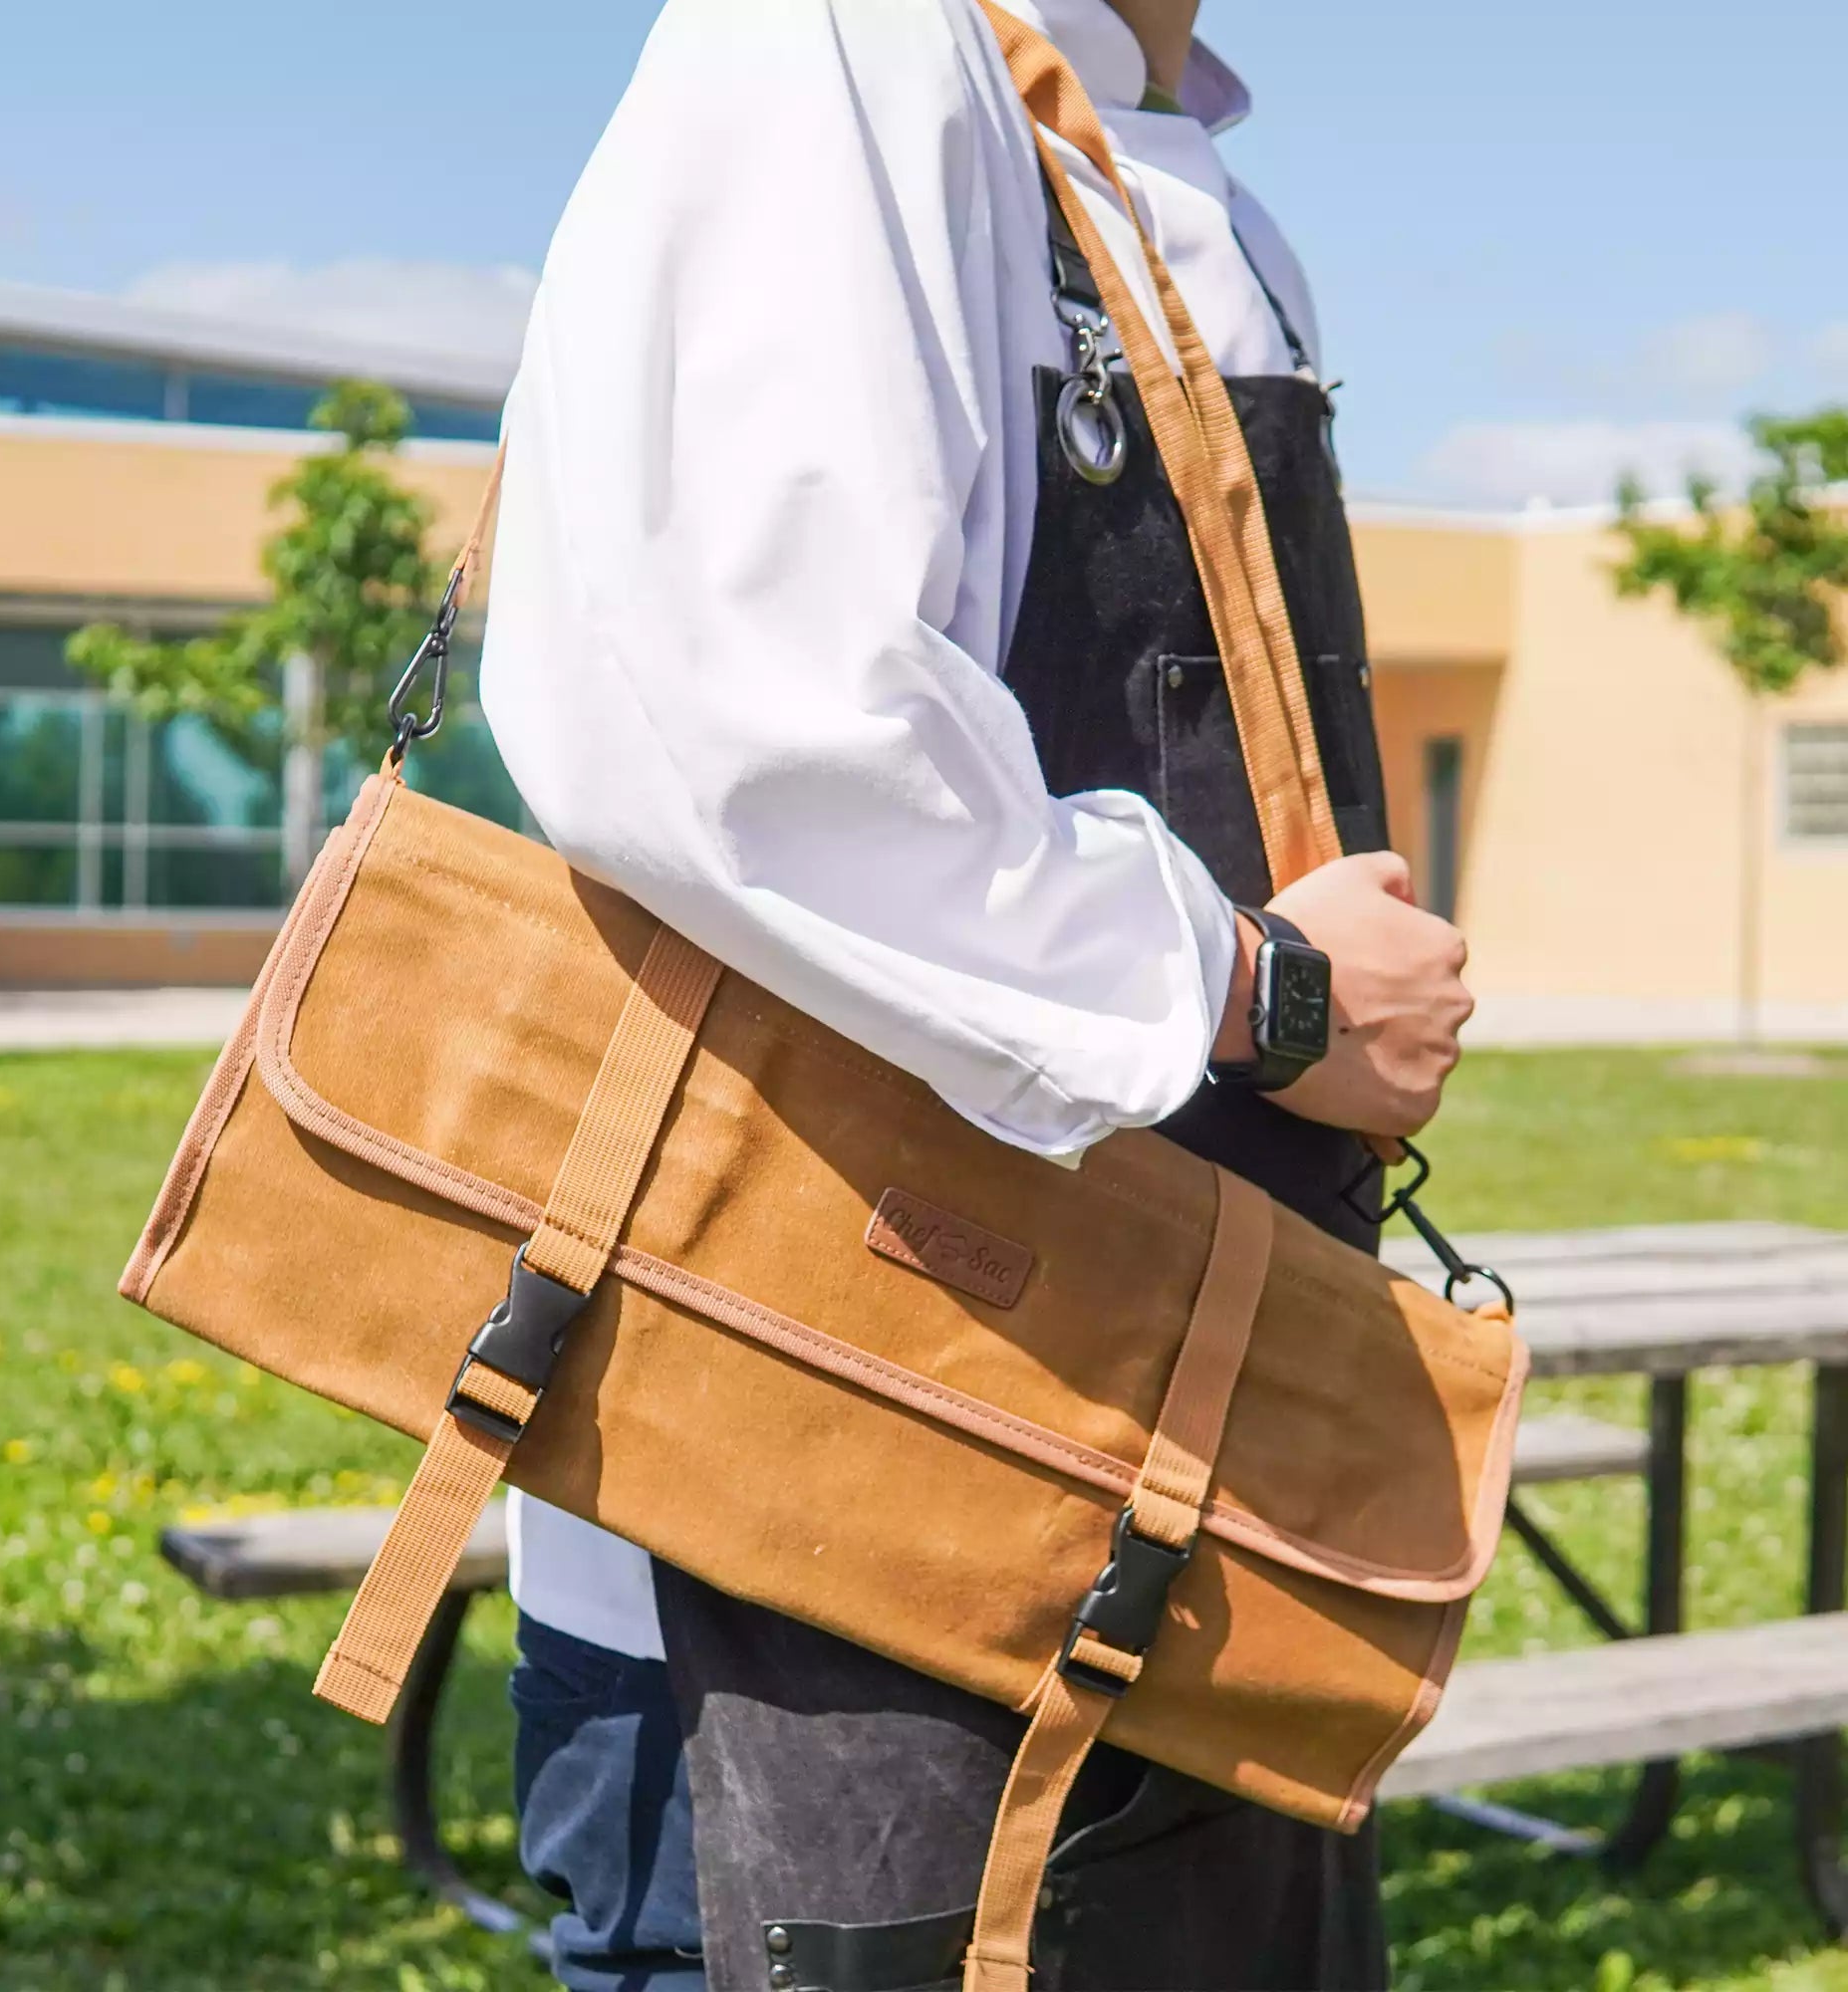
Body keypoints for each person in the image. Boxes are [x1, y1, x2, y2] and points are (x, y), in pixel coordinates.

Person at [478, 0, 1473, 1986]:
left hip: (1159, 1474)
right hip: (814, 1537)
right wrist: (1261, 994)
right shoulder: (837, 36)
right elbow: (745, 720)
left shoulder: (1190, 183)